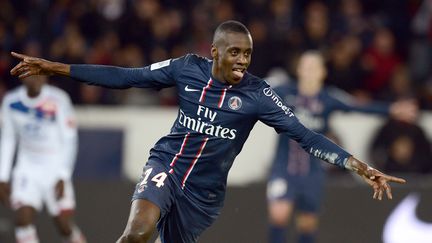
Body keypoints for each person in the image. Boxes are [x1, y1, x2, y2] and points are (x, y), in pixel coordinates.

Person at [9, 20, 405, 243]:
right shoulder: (186, 68)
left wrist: (359, 166)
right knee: (137, 232)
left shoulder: (259, 95)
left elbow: (305, 135)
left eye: (248, 54)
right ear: (214, 51)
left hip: (204, 194)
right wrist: (58, 68)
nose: (242, 61)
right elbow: (127, 77)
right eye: (235, 52)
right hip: (167, 163)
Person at [266, 50, 416, 243]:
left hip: (312, 171)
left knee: (307, 224)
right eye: (306, 66)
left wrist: (391, 109)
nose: (309, 70)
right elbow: (256, 89)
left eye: (314, 66)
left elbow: (357, 106)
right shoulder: (284, 92)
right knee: (279, 215)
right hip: (283, 167)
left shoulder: (328, 98)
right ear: (299, 70)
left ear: (323, 72)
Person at [0, 75, 86, 243]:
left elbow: (69, 140)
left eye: (40, 74)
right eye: (31, 74)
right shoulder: (11, 101)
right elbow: (8, 138)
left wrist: (63, 175)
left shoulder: (58, 99)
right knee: (23, 220)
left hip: (55, 167)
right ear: (23, 78)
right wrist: (2, 176)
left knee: (63, 225)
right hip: (27, 168)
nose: (36, 79)